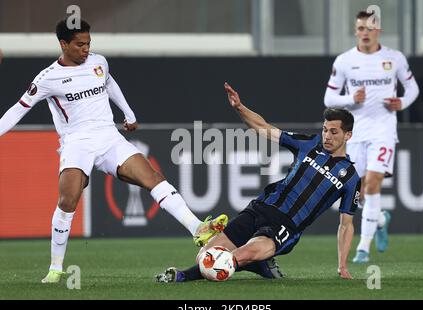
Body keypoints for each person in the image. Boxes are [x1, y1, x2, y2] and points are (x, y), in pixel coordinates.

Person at [0, 18, 227, 284]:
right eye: (79, 44)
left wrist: (128, 112)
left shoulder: (99, 62)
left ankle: (197, 228)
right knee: (68, 200)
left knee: (152, 177)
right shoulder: (48, 78)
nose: (86, 49)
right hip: (77, 142)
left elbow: (109, 83)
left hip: (109, 137)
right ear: (63, 44)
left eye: (88, 43)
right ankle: (55, 268)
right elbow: (18, 109)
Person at [156, 82, 361, 283]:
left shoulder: (350, 177)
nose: (327, 136)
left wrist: (342, 265)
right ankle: (258, 264)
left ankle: (183, 276)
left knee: (239, 254)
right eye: (325, 129)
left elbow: (346, 224)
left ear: (348, 135)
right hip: (261, 207)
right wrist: (239, 107)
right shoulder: (309, 144)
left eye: (334, 132)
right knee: (205, 254)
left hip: (285, 225)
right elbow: (263, 128)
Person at [324, 11, 419, 263]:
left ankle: (363, 249)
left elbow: (412, 88)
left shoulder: (394, 58)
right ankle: (379, 219)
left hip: (384, 130)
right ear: (355, 31)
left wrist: (402, 102)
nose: (364, 32)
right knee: (360, 190)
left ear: (378, 30)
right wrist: (350, 100)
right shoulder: (345, 61)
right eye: (360, 28)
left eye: (369, 28)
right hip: (356, 133)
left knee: (373, 183)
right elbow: (329, 98)